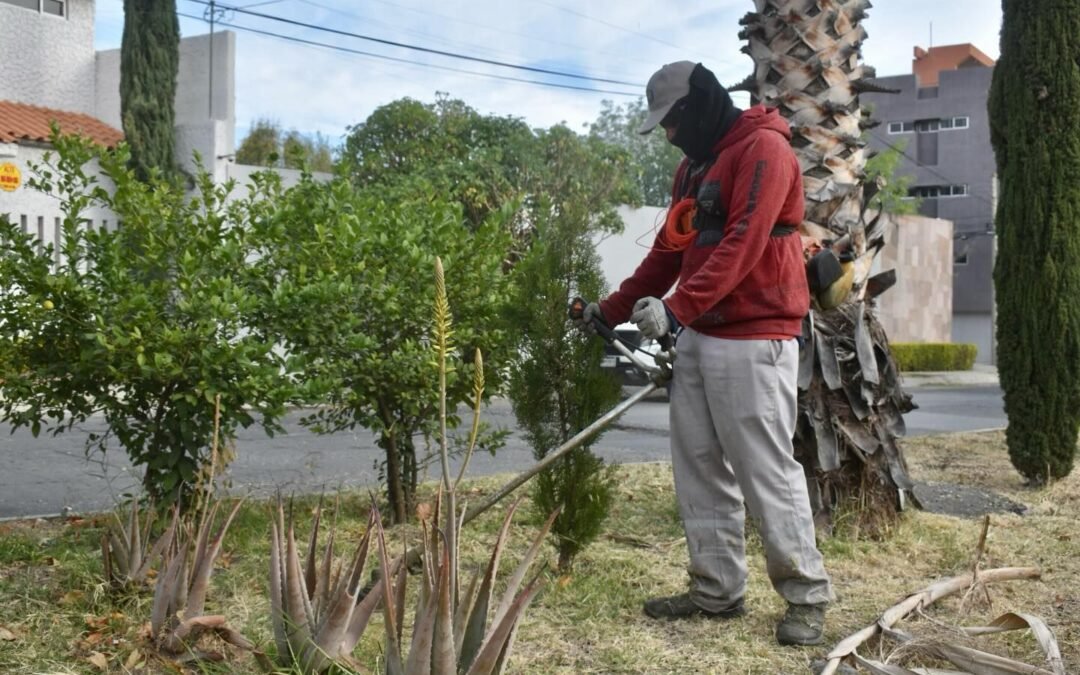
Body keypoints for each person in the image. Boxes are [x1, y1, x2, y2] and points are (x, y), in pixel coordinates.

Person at [575, 61, 833, 646]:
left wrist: (675, 309)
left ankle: (807, 596)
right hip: (698, 333)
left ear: (701, 104)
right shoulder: (693, 168)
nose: (668, 134)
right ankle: (716, 591)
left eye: (672, 121)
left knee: (766, 471)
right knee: (699, 469)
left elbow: (744, 243)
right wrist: (612, 308)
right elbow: (668, 252)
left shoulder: (764, 150)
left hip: (754, 334)